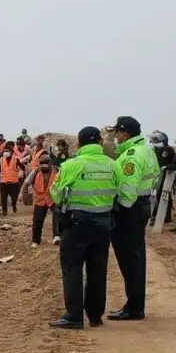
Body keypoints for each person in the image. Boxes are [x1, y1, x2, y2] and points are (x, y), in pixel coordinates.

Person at [49, 126, 119, 329]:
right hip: (103, 223)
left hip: (77, 224)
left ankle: (74, 317)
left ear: (79, 143)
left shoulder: (71, 165)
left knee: (72, 269)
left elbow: (56, 193)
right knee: (98, 269)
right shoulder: (113, 165)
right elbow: (122, 192)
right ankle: (95, 316)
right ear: (99, 142)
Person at [108, 116, 159, 321]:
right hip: (142, 204)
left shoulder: (131, 155)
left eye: (117, 133)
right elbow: (155, 173)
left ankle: (134, 307)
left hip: (130, 209)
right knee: (136, 258)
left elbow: (127, 189)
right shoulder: (146, 149)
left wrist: (121, 209)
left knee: (130, 260)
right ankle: (134, 304)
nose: (115, 136)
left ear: (125, 134)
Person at [24, 153, 59, 247]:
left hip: (53, 199)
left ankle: (57, 236)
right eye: (42, 163)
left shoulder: (57, 171)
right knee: (37, 221)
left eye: (46, 163)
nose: (44, 165)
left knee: (58, 213)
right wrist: (22, 194)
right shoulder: (35, 172)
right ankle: (35, 241)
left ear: (50, 163)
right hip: (40, 201)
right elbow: (26, 183)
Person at [149, 130, 175, 224]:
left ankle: (164, 215)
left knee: (163, 195)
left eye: (156, 140)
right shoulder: (155, 150)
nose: (154, 143)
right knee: (156, 194)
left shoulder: (168, 149)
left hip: (166, 176)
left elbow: (162, 162)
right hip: (157, 176)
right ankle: (157, 214)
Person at [0, 141, 21, 214]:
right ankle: (4, 211)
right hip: (3, 182)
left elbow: (23, 167)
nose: (6, 153)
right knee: (3, 197)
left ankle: (14, 205)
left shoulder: (16, 159)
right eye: (5, 151)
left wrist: (21, 173)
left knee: (14, 197)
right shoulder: (1, 160)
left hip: (13, 182)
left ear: (11, 152)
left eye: (7, 151)